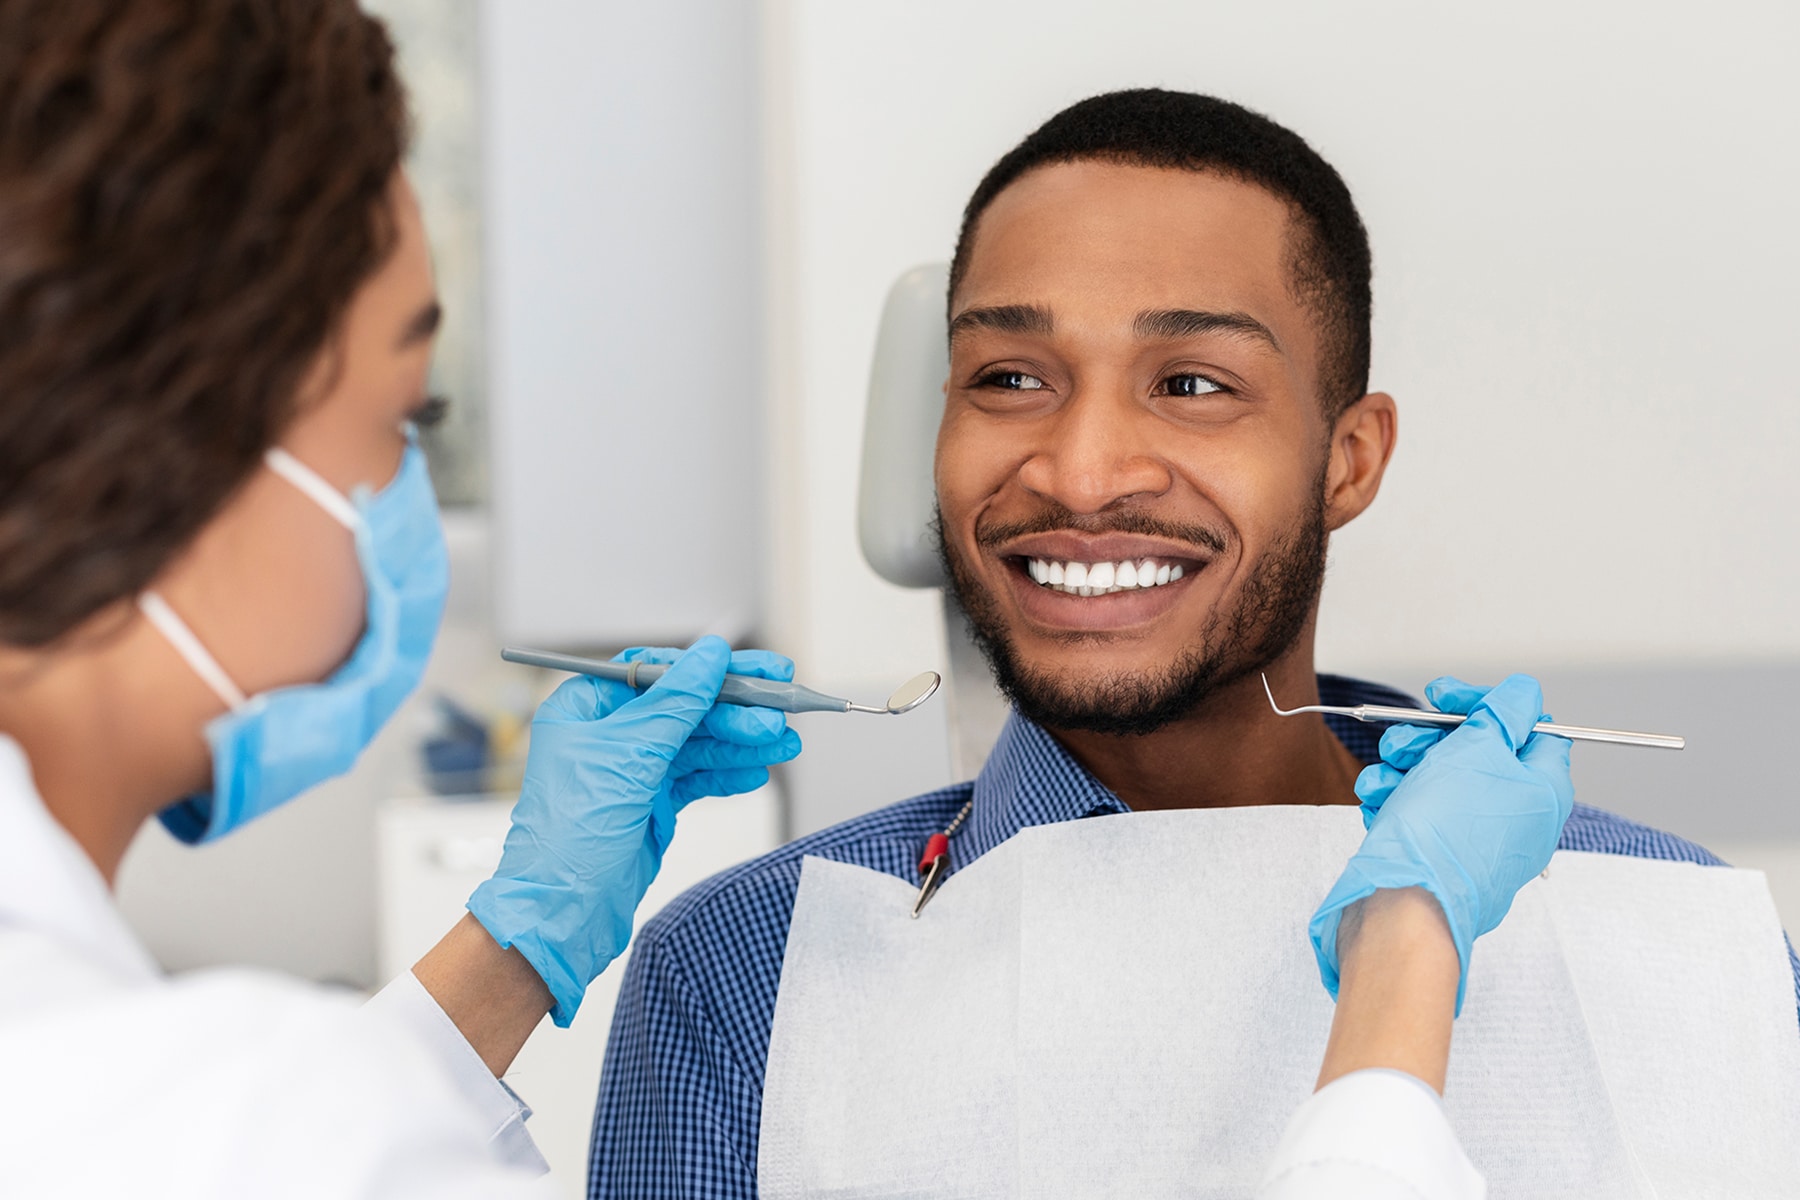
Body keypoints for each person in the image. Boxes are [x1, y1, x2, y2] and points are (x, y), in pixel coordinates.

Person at [588, 89, 1800, 1197]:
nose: (1081, 471)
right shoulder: (746, 981)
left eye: (1193, 384)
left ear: (1349, 459)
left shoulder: (1673, 939)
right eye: (1009, 376)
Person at [0, 2, 800, 1194]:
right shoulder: (247, 1125)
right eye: (401, 421)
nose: (405, 495)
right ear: (180, 440)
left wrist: (521, 942)